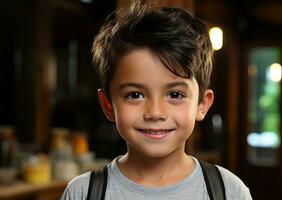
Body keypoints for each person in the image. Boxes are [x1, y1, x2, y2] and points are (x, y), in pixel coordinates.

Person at [60, 1, 252, 199]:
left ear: (202, 104)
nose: (155, 113)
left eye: (175, 95)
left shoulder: (229, 192)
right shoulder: (82, 192)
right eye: (135, 95)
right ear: (108, 105)